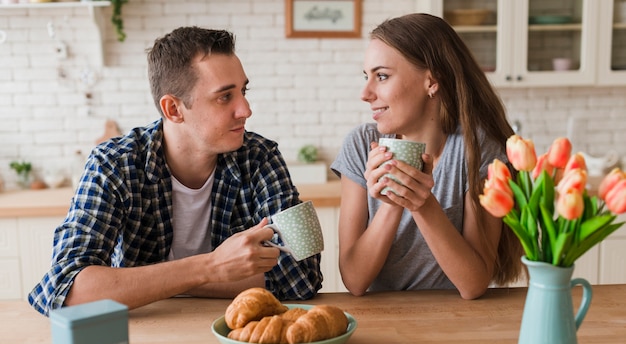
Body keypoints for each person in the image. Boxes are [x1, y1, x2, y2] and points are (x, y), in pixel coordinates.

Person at [29, 27, 322, 316]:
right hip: (145, 338)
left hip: (236, 332)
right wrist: (211, 267)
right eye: (224, 97)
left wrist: (153, 282)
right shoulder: (113, 164)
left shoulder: (260, 157)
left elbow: (302, 274)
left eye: (243, 91)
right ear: (173, 109)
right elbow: (67, 288)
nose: (245, 109)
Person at [330, 13, 522, 299]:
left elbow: (473, 284)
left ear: (431, 81)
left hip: (454, 321)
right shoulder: (361, 145)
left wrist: (422, 204)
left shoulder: (477, 148)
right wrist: (394, 200)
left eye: (381, 76)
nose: (365, 93)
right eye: (366, 76)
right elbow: (355, 280)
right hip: (383, 322)